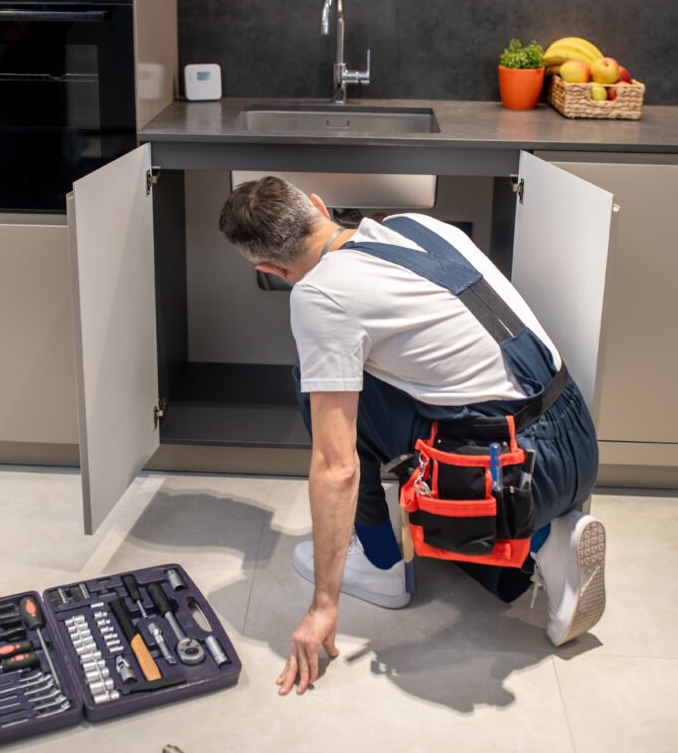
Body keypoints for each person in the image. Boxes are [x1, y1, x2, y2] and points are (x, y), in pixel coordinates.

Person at [218, 176, 606, 696]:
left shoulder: (318, 295)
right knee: (360, 375)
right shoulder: (413, 226)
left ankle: (386, 562)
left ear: (269, 270)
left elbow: (338, 467)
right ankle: (549, 533)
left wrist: (322, 606)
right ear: (317, 205)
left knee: (313, 384)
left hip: (516, 468)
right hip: (575, 434)